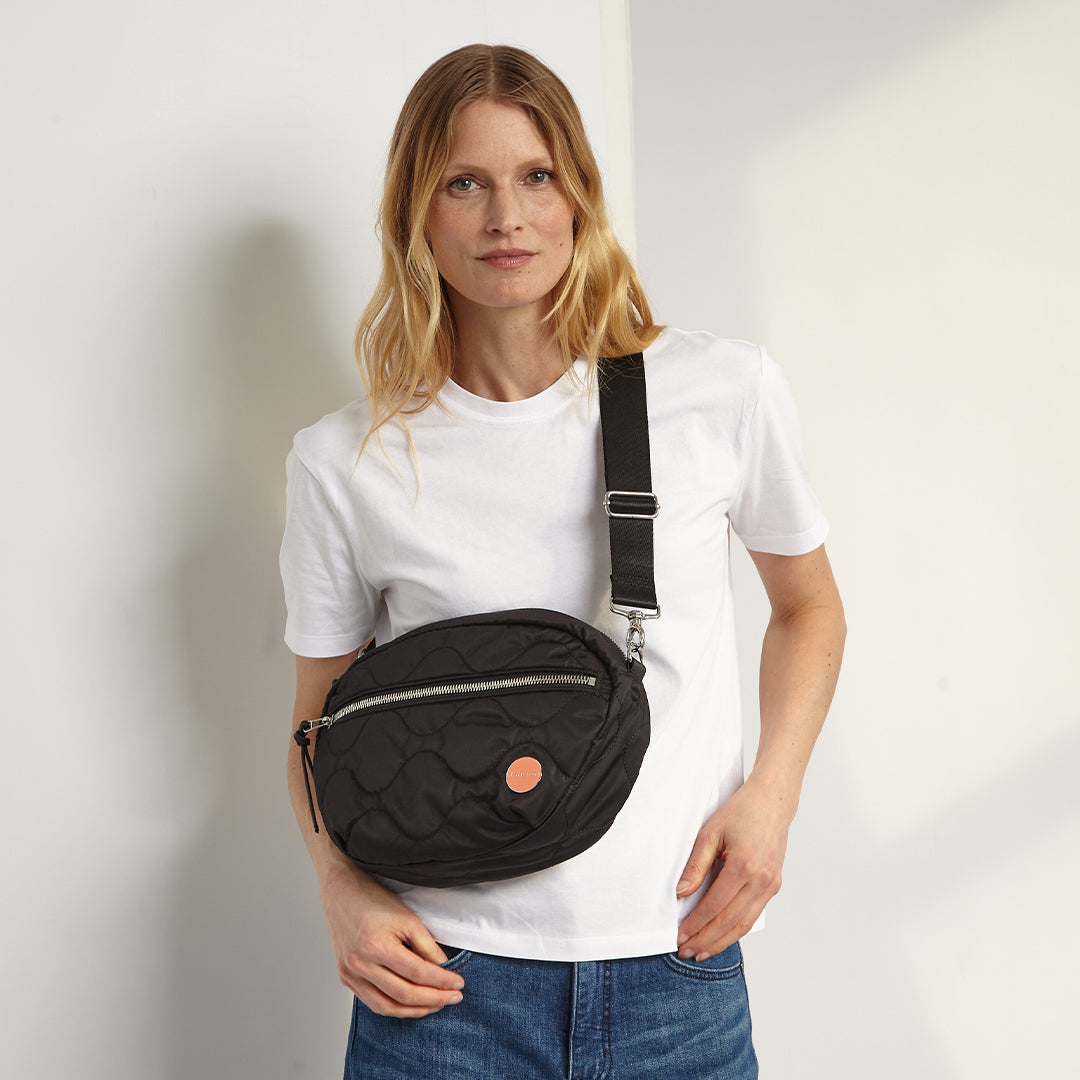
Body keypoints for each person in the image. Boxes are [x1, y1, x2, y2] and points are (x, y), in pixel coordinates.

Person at [282, 43, 845, 1079]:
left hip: (675, 967)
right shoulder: (342, 461)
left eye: (537, 177)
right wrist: (341, 888)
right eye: (467, 183)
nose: (508, 218)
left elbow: (809, 608)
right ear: (419, 212)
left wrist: (774, 797)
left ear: (578, 194)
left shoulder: (719, 392)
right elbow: (320, 727)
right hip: (445, 992)